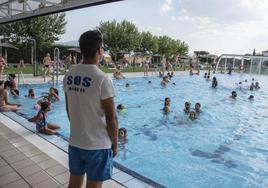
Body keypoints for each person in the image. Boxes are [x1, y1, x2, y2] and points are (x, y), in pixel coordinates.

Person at [63, 30, 118, 188]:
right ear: (99, 50)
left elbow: (69, 110)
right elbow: (111, 118)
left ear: (82, 49)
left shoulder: (69, 75)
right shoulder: (102, 78)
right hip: (97, 145)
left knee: (74, 183)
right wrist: (114, 143)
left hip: (75, 141)